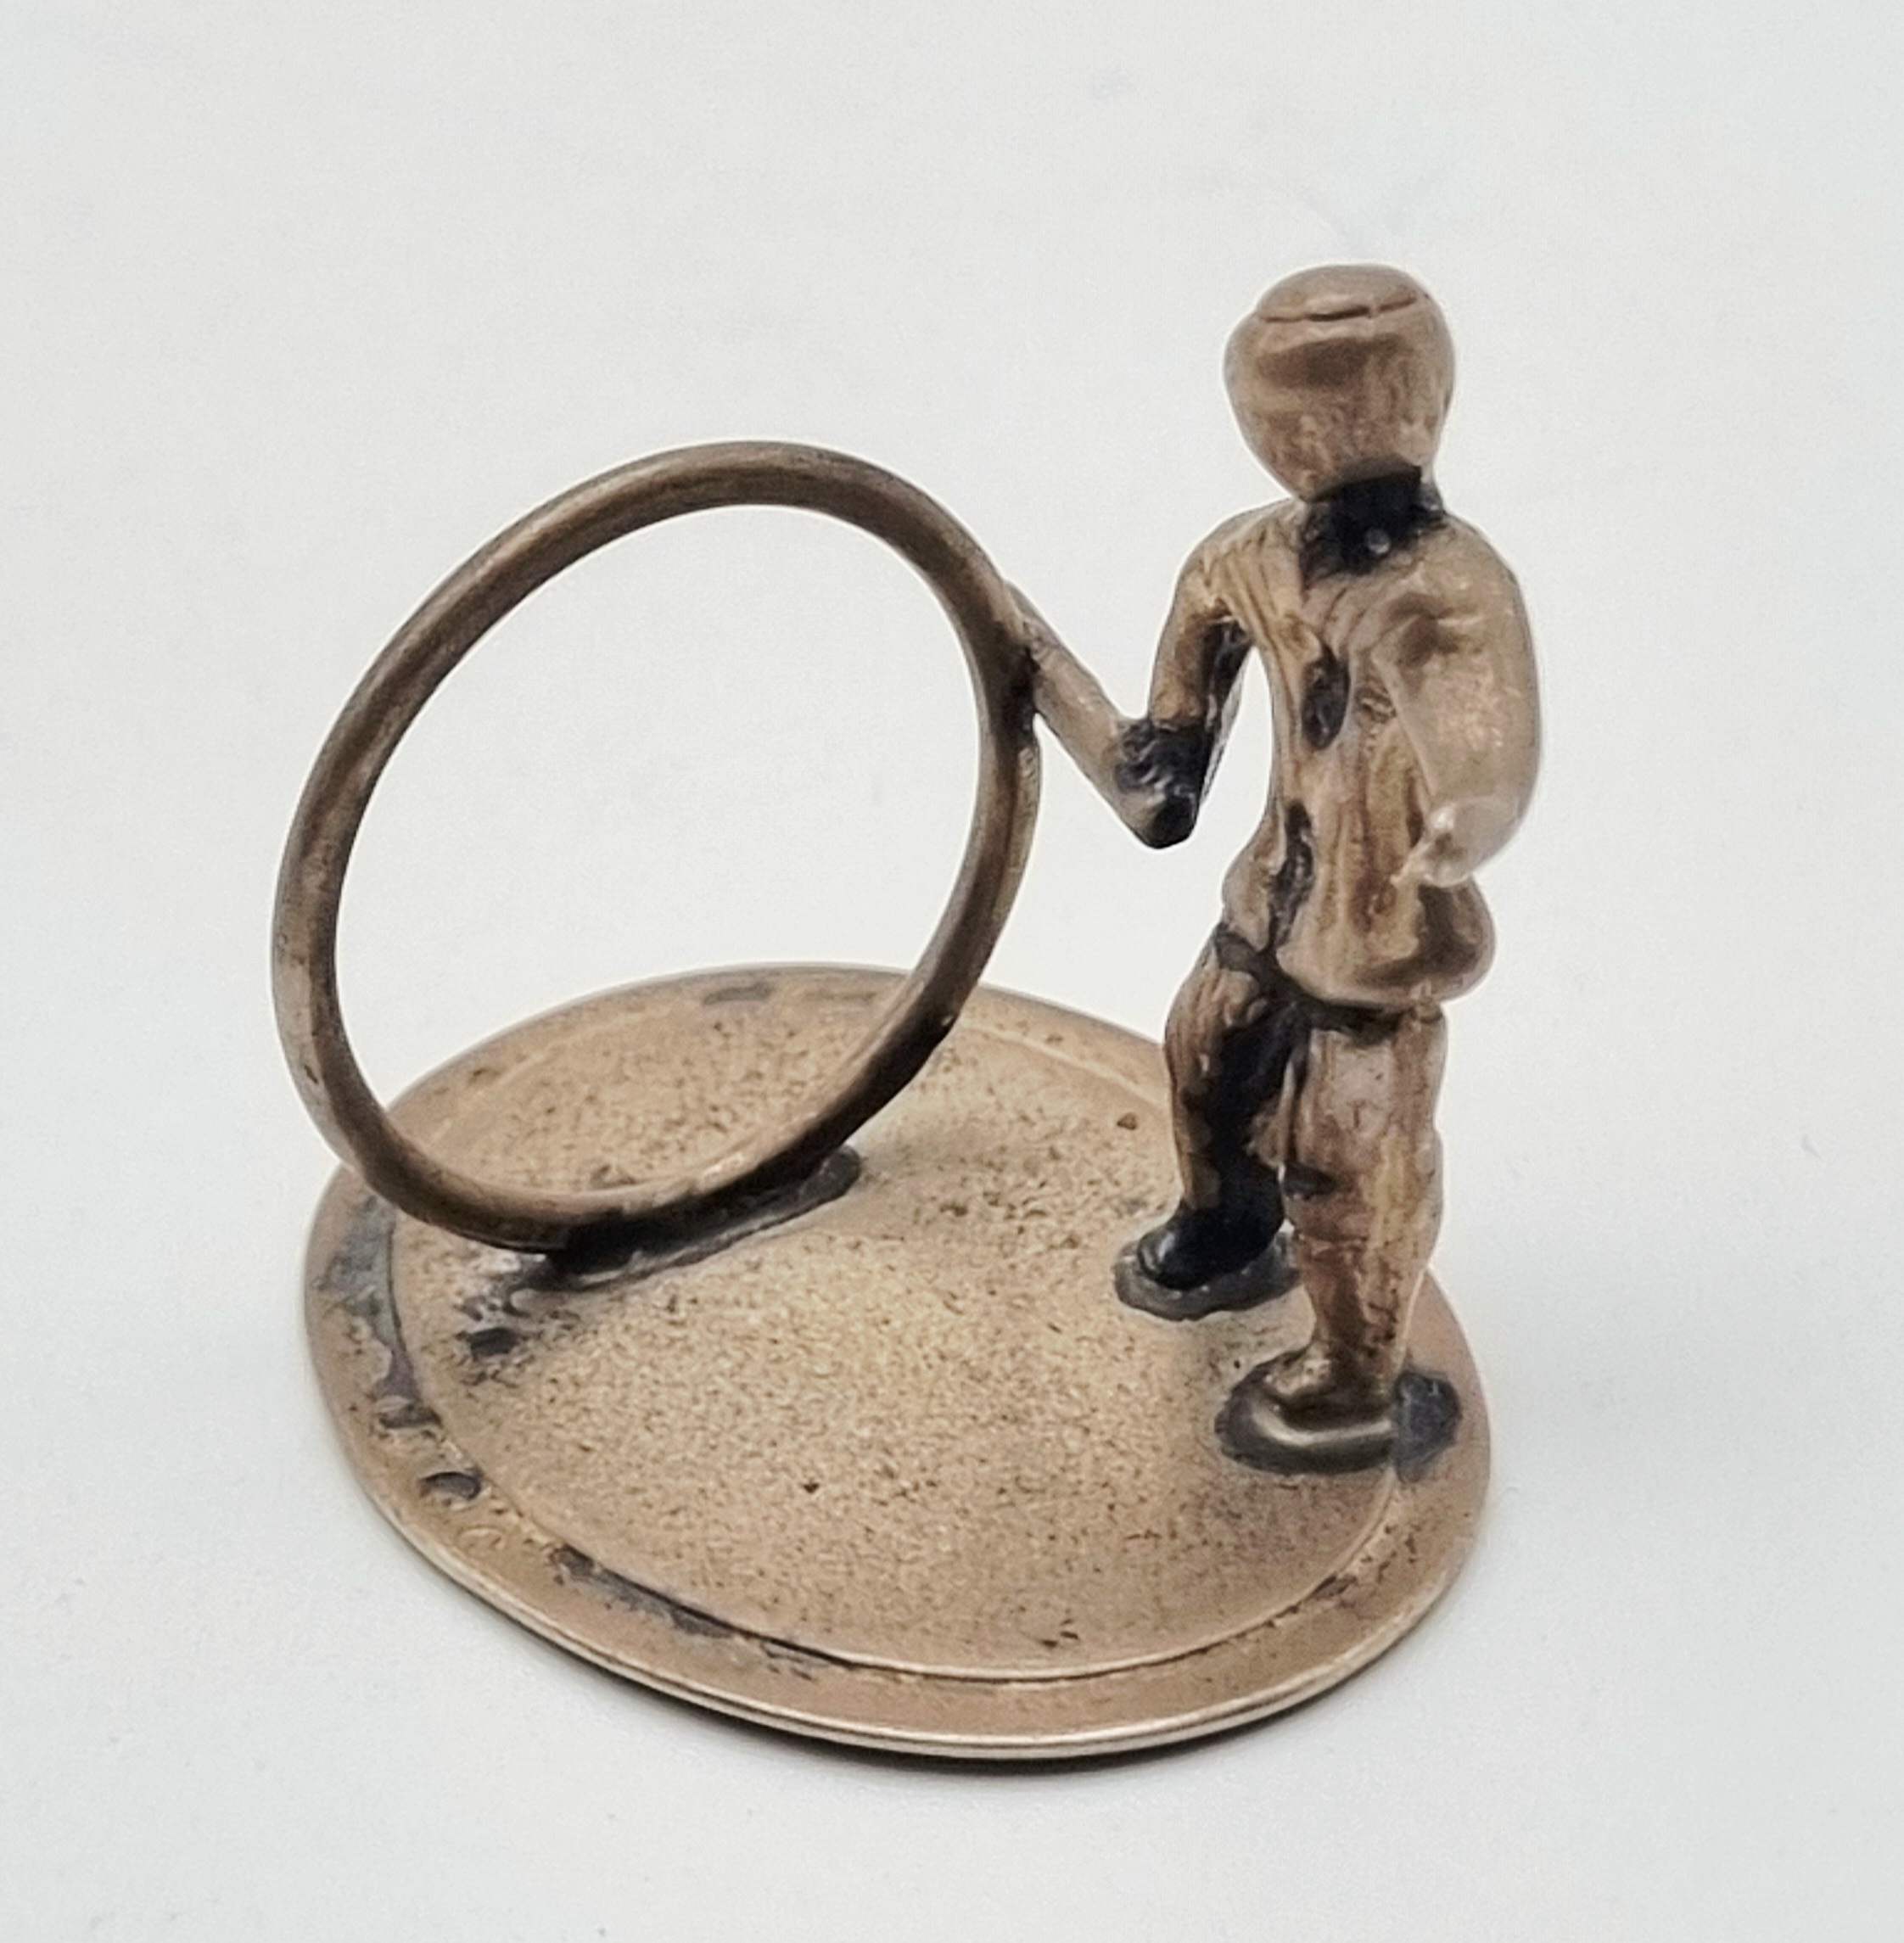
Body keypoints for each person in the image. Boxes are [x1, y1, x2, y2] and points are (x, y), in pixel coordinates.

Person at [1022, 263, 1539, 1464]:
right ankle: (1225, 1229)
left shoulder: (1452, 588)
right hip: (1270, 904)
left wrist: (1466, 817)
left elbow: (1487, 734)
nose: (1307, 443)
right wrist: (1088, 705)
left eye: (1337, 415)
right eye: (1282, 419)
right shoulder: (1246, 559)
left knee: (1351, 1155)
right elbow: (1170, 745)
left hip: (1380, 940)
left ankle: (1355, 1373)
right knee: (1205, 1059)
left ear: (1422, 405)